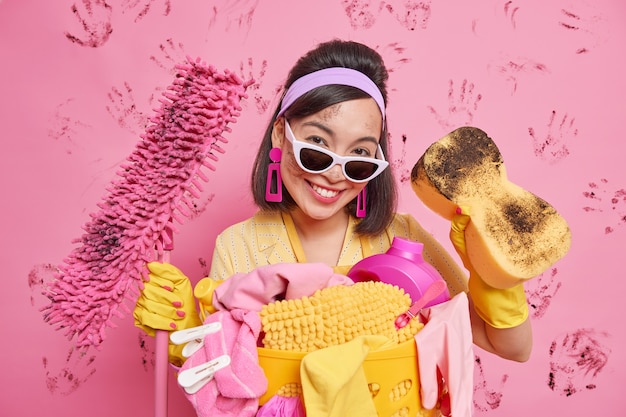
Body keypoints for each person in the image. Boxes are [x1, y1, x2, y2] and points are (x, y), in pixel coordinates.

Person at [133, 39, 532, 370]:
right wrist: (187, 335)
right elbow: (228, 377)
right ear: (279, 134)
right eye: (318, 146)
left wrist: (497, 276)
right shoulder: (239, 246)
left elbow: (509, 346)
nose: (334, 174)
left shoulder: (402, 238)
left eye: (358, 156)